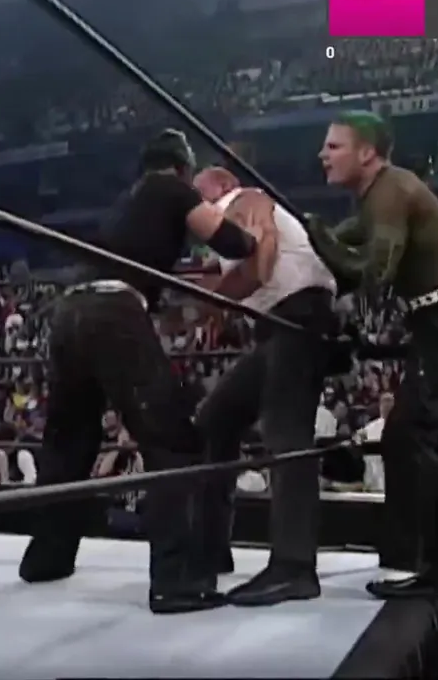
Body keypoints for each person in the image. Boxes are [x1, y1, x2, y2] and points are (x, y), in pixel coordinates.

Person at [18, 129, 261, 614]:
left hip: (68, 313)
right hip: (112, 311)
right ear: (183, 168)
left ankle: (47, 558)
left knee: (69, 442)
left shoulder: (127, 201)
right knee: (172, 441)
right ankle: (176, 580)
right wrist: (251, 230)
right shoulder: (171, 188)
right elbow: (231, 242)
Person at [306, 110, 438, 598]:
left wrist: (320, 237)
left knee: (411, 436)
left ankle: (416, 563)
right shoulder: (379, 195)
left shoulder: (390, 192)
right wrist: (314, 236)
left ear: (367, 152)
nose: (323, 154)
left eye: (334, 146)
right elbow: (345, 242)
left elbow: (374, 274)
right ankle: (436, 562)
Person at [189, 165, 338, 606]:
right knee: (215, 419)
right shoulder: (223, 233)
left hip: (299, 318)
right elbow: (234, 280)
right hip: (276, 326)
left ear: (221, 186)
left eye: (197, 193)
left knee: (285, 435)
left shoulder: (245, 199)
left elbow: (261, 262)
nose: (192, 205)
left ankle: (294, 567)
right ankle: (209, 548)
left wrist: (208, 300)